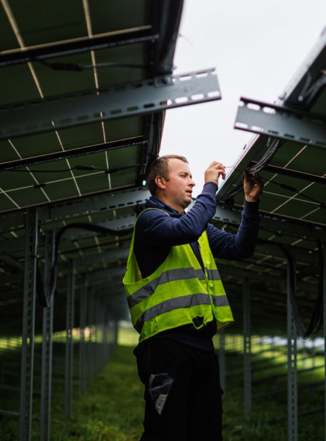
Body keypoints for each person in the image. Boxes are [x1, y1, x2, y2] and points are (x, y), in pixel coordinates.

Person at [123, 154, 263, 440]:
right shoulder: (150, 220)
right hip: (166, 349)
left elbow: (240, 247)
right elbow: (186, 229)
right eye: (184, 176)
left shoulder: (196, 230)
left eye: (192, 176)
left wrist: (250, 203)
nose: (193, 182)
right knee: (166, 432)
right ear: (161, 182)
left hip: (201, 347)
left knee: (206, 431)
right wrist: (209, 187)